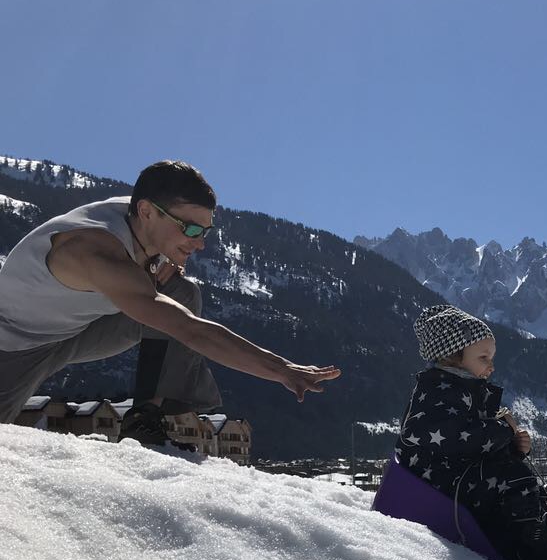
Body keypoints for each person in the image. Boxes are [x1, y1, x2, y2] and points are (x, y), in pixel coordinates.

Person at [0, 160, 340, 441]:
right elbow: (191, 331)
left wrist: (159, 260)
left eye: (205, 231)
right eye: (190, 229)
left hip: (81, 329)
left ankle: (148, 416)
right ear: (147, 211)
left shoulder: (143, 216)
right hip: (14, 345)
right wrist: (281, 369)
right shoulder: (92, 252)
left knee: (183, 292)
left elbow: (160, 273)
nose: (200, 243)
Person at [395, 304, 547, 560]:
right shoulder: (437, 389)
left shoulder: (463, 389)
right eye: (483, 358)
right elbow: (449, 436)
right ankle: (531, 552)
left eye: (491, 358)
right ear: (452, 355)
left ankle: (535, 543)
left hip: (455, 474)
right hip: (437, 479)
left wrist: (512, 448)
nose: (491, 366)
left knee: (523, 481)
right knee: (516, 480)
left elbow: (472, 441)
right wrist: (502, 430)